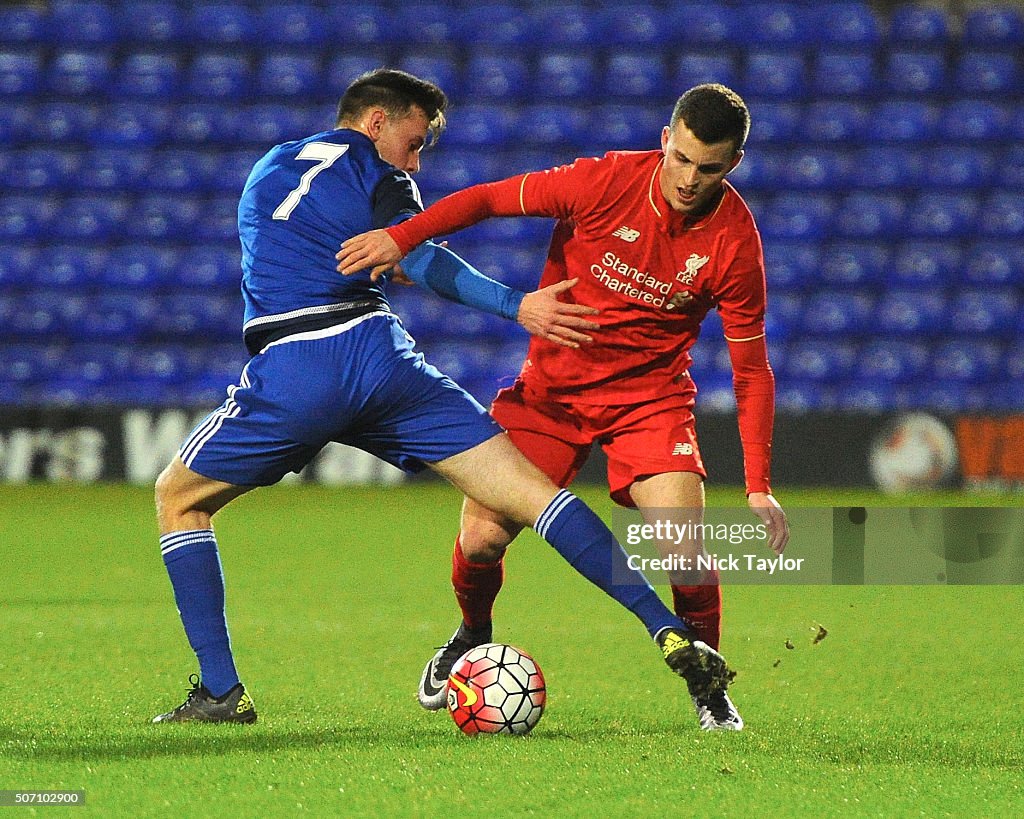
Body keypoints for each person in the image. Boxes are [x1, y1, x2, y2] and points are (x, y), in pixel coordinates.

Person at [152, 69, 734, 724]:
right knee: (536, 495)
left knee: (179, 498)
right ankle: (664, 626)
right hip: (381, 358)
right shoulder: (380, 176)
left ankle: (222, 691)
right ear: (376, 123)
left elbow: (304, 250)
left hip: (297, 362)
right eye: (414, 140)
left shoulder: (270, 166)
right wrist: (513, 304)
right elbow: (420, 255)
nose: (415, 158)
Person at [336, 83, 790, 731]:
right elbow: (489, 198)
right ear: (666, 139)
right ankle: (472, 632)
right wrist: (400, 237)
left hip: (649, 399)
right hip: (552, 392)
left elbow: (752, 368)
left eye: (708, 167)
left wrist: (757, 486)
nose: (689, 179)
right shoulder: (603, 181)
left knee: (686, 550)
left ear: (733, 164)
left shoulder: (735, 242)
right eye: (681, 158)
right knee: (483, 537)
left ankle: (707, 680)